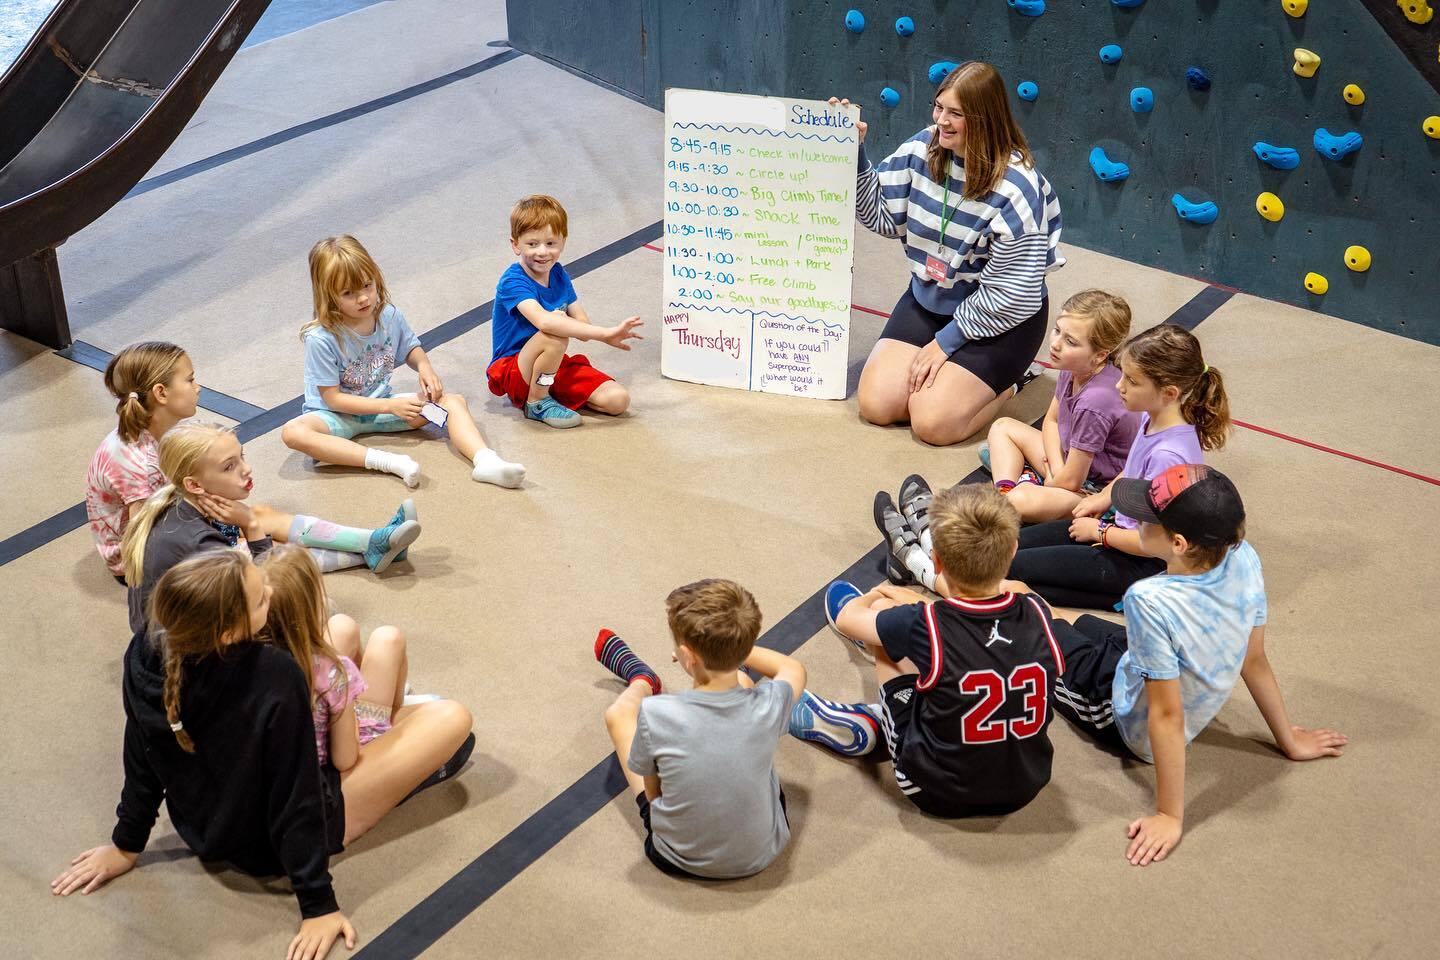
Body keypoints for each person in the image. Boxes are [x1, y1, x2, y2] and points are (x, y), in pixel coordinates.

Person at [1031, 465, 1348, 865]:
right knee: (1077, 621)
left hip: (1117, 710)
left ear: (1178, 543)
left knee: (1032, 622)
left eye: (1144, 517)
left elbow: (1165, 715)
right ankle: (1046, 612)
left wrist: (1169, 815)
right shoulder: (1244, 558)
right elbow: (1254, 658)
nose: (1132, 519)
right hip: (1156, 660)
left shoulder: (1149, 600)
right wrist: (1289, 739)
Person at [53, 550, 356, 960]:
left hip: (204, 827)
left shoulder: (145, 653)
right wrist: (318, 904)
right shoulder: (274, 674)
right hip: (272, 846)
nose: (271, 588)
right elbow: (295, 792)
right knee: (446, 721)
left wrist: (127, 843)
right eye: (262, 598)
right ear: (229, 633)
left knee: (343, 638)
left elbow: (142, 752)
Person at [885, 323, 1229, 610]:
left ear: (1169, 392)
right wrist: (1101, 500)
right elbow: (1133, 473)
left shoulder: (1171, 456)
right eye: (1123, 375)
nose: (1119, 385)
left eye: (1132, 381)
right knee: (1001, 545)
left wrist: (1101, 533)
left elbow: (1159, 545)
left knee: (1002, 573)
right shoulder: (1155, 418)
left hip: (1138, 563)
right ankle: (934, 547)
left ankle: (922, 564)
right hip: (1113, 526)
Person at [837, 60, 1063, 446]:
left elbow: (1011, 294)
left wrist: (945, 343)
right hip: (932, 298)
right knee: (876, 405)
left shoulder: (1018, 188)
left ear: (985, 118)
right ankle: (958, 379)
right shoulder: (923, 148)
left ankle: (1011, 384)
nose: (941, 120)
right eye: (938, 107)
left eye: (955, 113)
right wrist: (854, 153)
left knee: (931, 423)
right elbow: (880, 215)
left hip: (1002, 319)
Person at [819, 484, 1064, 817]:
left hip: (934, 791)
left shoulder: (925, 622)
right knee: (948, 651)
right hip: (1027, 783)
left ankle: (882, 715)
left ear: (936, 561)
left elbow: (847, 619)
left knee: (887, 634)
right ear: (1013, 550)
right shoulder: (1036, 610)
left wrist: (878, 592)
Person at [86, 341, 412, 584]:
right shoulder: (135, 462)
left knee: (264, 516)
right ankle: (367, 552)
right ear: (161, 393)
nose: (198, 386)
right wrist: (223, 536)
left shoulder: (160, 430)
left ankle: (371, 541)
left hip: (182, 518)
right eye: (189, 380)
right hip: (156, 556)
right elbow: (142, 546)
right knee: (255, 553)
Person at [592, 579, 805, 878]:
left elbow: (654, 795)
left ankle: (642, 680)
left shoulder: (656, 714)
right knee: (743, 684)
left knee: (617, 715)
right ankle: (733, 671)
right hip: (764, 851)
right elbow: (793, 669)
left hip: (678, 857)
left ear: (687, 656)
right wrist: (732, 648)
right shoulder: (769, 703)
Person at [121, 422, 419, 634]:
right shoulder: (201, 545)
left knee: (266, 525)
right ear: (195, 484)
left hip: (184, 620)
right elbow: (264, 586)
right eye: (229, 466)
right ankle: (372, 549)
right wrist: (250, 526)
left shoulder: (179, 501)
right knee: (316, 607)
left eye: (242, 457)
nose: (246, 469)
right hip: (188, 649)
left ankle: (373, 547)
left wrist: (252, 524)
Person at [281, 235, 525, 487]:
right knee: (293, 432)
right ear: (329, 296)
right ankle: (386, 461)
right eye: (348, 293)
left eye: (367, 285)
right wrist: (389, 408)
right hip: (334, 416)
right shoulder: (321, 338)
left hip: (381, 406)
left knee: (453, 402)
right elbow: (333, 399)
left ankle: (486, 461)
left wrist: (424, 367)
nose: (363, 298)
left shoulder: (388, 315)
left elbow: (410, 348)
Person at [262, 545, 477, 824]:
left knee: (372, 634)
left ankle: (399, 713)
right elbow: (345, 759)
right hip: (350, 744)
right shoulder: (332, 671)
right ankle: (397, 718)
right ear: (314, 606)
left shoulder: (261, 663)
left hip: (317, 739)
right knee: (391, 640)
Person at [983, 289, 1140, 521]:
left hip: (1098, 490)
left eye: (1070, 341)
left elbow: (1073, 481)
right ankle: (1006, 494)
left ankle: (1016, 495)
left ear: (1099, 356)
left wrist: (1056, 479)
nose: (1055, 344)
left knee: (1021, 498)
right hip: (1070, 465)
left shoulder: (1095, 401)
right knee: (1002, 427)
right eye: (1057, 330)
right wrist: (1055, 470)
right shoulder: (1072, 367)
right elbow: (1052, 421)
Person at [486, 195, 642, 428]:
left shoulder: (558, 273)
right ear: (516, 244)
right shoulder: (512, 281)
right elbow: (545, 323)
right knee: (555, 329)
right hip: (514, 369)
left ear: (563, 242)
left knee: (618, 400)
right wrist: (603, 332)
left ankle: (548, 388)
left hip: (552, 363)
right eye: (532, 244)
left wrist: (604, 333)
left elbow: (583, 326)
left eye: (550, 243)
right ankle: (537, 401)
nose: (542, 252)